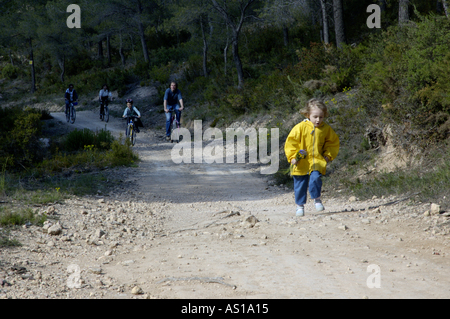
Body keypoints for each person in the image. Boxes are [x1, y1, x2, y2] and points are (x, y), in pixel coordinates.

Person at [284, 98, 340, 217]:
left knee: (315, 178)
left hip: (317, 161)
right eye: (315, 117)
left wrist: (327, 156)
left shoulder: (326, 129)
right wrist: (293, 157)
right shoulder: (300, 127)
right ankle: (300, 206)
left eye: (321, 117)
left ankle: (316, 198)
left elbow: (332, 143)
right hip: (300, 162)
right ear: (308, 115)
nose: (318, 120)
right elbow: (290, 143)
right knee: (300, 184)